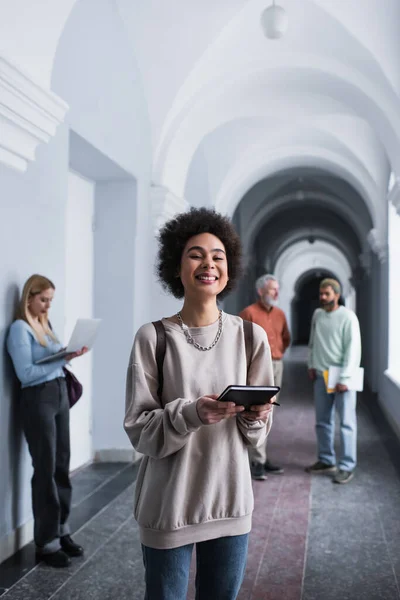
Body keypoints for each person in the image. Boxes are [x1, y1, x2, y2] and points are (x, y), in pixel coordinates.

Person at [124, 207, 276, 600]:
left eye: (217, 256)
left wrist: (256, 417)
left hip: (230, 502)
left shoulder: (250, 337)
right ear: (176, 267)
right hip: (169, 506)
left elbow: (257, 439)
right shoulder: (153, 337)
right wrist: (192, 413)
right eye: (196, 254)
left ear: (228, 270)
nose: (208, 263)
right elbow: (139, 430)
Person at [7, 274, 88, 567]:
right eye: (43, 300)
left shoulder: (45, 325)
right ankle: (46, 542)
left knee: (61, 465)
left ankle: (62, 529)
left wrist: (70, 353)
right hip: (38, 398)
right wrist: (61, 359)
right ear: (29, 298)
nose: (46, 306)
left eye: (50, 301)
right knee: (45, 468)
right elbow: (25, 374)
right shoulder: (19, 329)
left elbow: (52, 360)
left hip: (58, 394)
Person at [306, 278, 361, 484]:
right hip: (321, 375)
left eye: (326, 294)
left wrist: (345, 377)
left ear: (337, 295)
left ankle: (347, 465)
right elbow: (313, 340)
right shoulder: (318, 314)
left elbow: (353, 350)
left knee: (347, 423)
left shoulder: (348, 317)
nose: (322, 297)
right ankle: (326, 459)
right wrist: (311, 364)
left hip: (342, 377)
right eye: (321, 294)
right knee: (322, 422)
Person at [239, 274, 291, 480]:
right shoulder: (248, 313)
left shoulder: (280, 314)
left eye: (277, 289)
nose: (276, 293)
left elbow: (286, 338)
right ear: (260, 291)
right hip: (257, 367)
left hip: (277, 365)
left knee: (269, 411)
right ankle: (256, 460)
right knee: (257, 412)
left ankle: (261, 456)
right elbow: (239, 343)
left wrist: (277, 355)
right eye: (272, 289)